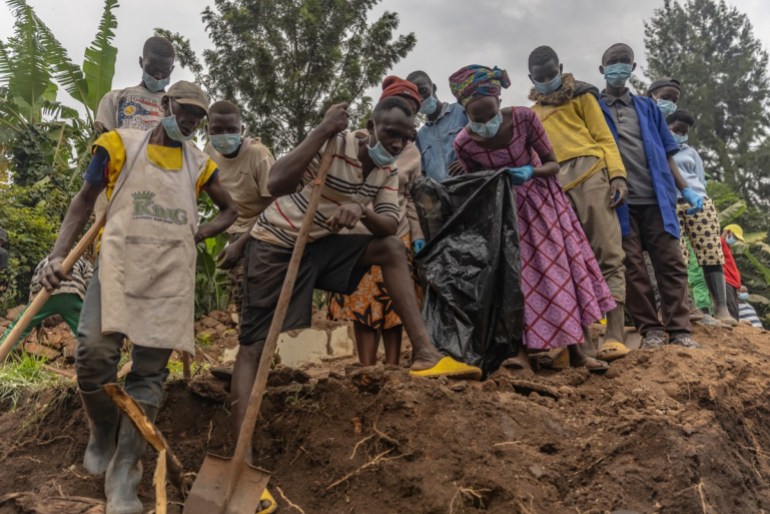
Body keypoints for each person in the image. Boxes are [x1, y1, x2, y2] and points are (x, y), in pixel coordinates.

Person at [232, 76, 480, 457]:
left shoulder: (388, 172)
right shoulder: (336, 144)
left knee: (390, 249)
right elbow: (277, 183)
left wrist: (360, 209)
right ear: (371, 127)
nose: (395, 143)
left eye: (403, 137)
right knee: (253, 347)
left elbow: (384, 223)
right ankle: (241, 453)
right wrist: (323, 129)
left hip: (321, 245)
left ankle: (426, 354)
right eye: (389, 133)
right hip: (276, 244)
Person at [42, 81, 237, 514]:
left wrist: (201, 232)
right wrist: (58, 255)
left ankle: (125, 472)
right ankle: (103, 430)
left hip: (168, 277)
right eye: (184, 111)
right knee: (92, 352)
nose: (189, 121)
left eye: (196, 118)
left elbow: (231, 210)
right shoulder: (117, 145)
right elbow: (84, 199)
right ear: (166, 104)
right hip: (117, 266)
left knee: (149, 374)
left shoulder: (200, 165)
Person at [449, 64, 613, 372]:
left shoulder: (525, 118)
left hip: (543, 204)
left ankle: (577, 353)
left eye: (490, 113)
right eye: (477, 118)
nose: (486, 123)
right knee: (515, 281)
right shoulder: (464, 143)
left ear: (499, 101)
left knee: (559, 273)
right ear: (464, 111)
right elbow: (476, 187)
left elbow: (552, 164)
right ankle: (520, 352)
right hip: (505, 216)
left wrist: (530, 172)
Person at [527, 46, 629, 362]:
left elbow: (604, 138)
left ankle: (615, 333)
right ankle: (579, 343)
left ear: (561, 67)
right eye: (540, 78)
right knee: (570, 264)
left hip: (591, 174)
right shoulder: (531, 114)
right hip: (554, 186)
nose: (547, 81)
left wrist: (617, 175)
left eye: (551, 74)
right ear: (531, 78)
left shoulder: (583, 97)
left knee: (608, 252)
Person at [598, 43, 703, 349]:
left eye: (625, 62)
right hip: (618, 204)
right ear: (602, 70)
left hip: (658, 199)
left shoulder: (647, 108)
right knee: (632, 269)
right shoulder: (594, 106)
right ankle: (650, 330)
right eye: (612, 62)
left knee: (671, 263)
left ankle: (680, 329)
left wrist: (686, 189)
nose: (619, 67)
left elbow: (669, 152)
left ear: (633, 68)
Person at [328, 126, 425, 366]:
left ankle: (392, 367)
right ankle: (366, 368)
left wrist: (418, 234)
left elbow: (412, 197)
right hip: (358, 237)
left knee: (393, 307)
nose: (397, 141)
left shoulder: (413, 154)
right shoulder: (356, 145)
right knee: (363, 306)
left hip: (396, 233)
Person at [664, 106, 737, 325]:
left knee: (711, 251)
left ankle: (721, 308)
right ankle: (685, 306)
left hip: (698, 201)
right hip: (671, 202)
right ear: (667, 127)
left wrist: (698, 197)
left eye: (685, 131)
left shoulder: (691, 152)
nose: (681, 134)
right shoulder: (659, 148)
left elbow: (699, 178)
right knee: (678, 255)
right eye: (678, 129)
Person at [206, 100, 275, 314]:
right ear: (207, 130)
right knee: (241, 292)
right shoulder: (209, 152)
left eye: (232, 130)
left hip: (266, 228)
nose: (225, 135)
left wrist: (241, 244)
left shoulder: (258, 155)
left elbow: (277, 206)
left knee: (255, 290)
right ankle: (248, 340)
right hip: (235, 229)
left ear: (242, 130)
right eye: (217, 130)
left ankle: (258, 343)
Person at [1, 256, 92, 344]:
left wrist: (39, 324)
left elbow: (34, 284)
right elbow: (91, 287)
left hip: (45, 293)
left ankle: (2, 348)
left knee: (17, 329)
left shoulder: (47, 259)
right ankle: (98, 357)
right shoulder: (85, 262)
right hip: (71, 293)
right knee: (88, 334)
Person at [95, 36, 176, 134]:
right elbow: (104, 142)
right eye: (152, 68)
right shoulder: (115, 98)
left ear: (172, 70)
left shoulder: (175, 108)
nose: (158, 76)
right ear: (141, 62)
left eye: (165, 71)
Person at [407, 70, 468, 181]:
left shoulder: (462, 111)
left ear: (433, 88)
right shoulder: (421, 136)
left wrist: (469, 161)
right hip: (441, 195)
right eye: (415, 95)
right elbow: (422, 173)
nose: (420, 98)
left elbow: (485, 140)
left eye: (423, 91)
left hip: (473, 187)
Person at [721, 224, 745, 320]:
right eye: (734, 237)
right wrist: (724, 233)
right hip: (726, 281)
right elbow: (718, 243)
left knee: (735, 309)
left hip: (732, 283)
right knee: (731, 308)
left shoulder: (727, 247)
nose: (735, 240)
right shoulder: (721, 243)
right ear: (728, 232)